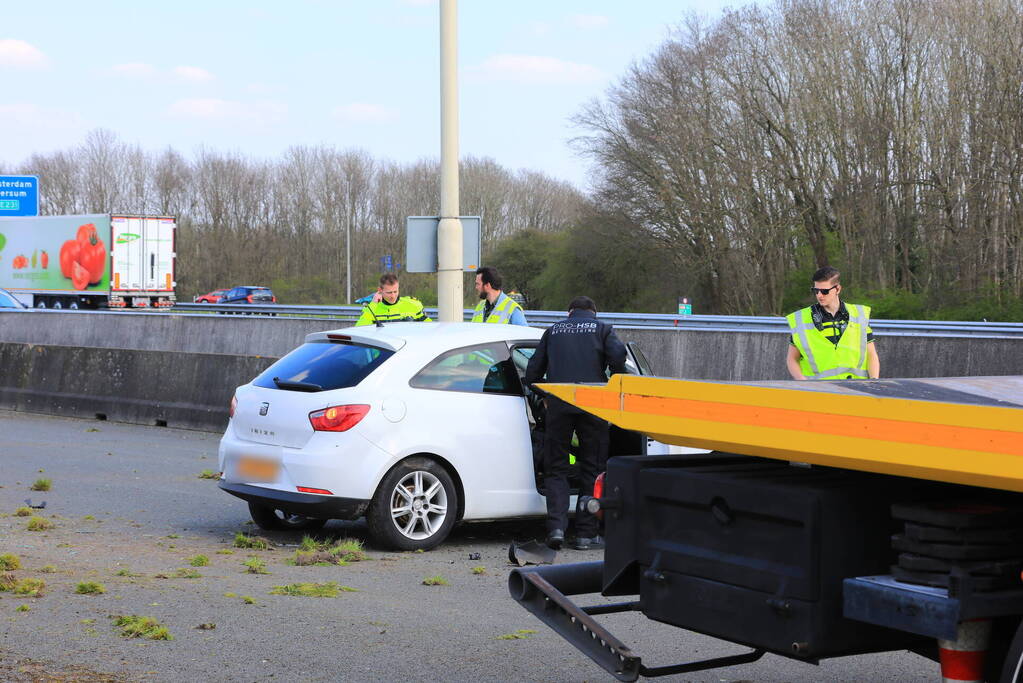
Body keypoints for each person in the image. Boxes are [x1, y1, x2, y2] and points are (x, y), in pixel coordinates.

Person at [525, 295, 626, 551]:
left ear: (569, 312)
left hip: (559, 405)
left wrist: (545, 395)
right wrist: (612, 384)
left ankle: (556, 529)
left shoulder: (553, 331)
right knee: (592, 468)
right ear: (594, 311)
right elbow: (618, 360)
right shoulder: (603, 329)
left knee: (556, 468)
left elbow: (532, 373)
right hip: (593, 406)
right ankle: (585, 534)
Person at [786, 266, 879, 380]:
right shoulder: (801, 319)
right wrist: (803, 383)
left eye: (824, 291)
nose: (819, 295)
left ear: (838, 289)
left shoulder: (859, 315)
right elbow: (792, 359)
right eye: (816, 291)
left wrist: (874, 381)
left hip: (855, 390)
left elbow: (871, 355)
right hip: (817, 393)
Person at [355, 273, 431, 326]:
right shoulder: (371, 308)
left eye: (395, 291)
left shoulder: (413, 304)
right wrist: (374, 304)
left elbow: (429, 327)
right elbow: (359, 330)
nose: (393, 296)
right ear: (380, 290)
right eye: (389, 292)